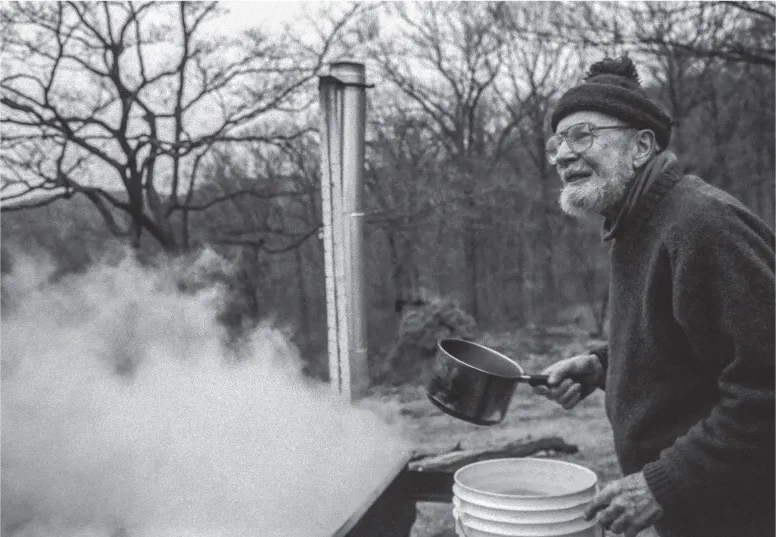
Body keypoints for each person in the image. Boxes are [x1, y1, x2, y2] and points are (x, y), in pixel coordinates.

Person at [534, 56, 775, 537]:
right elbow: (690, 344)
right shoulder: (635, 226)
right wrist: (604, 364)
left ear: (641, 145)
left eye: (582, 135)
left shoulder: (703, 224)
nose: (562, 155)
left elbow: (765, 387)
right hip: (698, 514)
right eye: (558, 141)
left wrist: (664, 485)